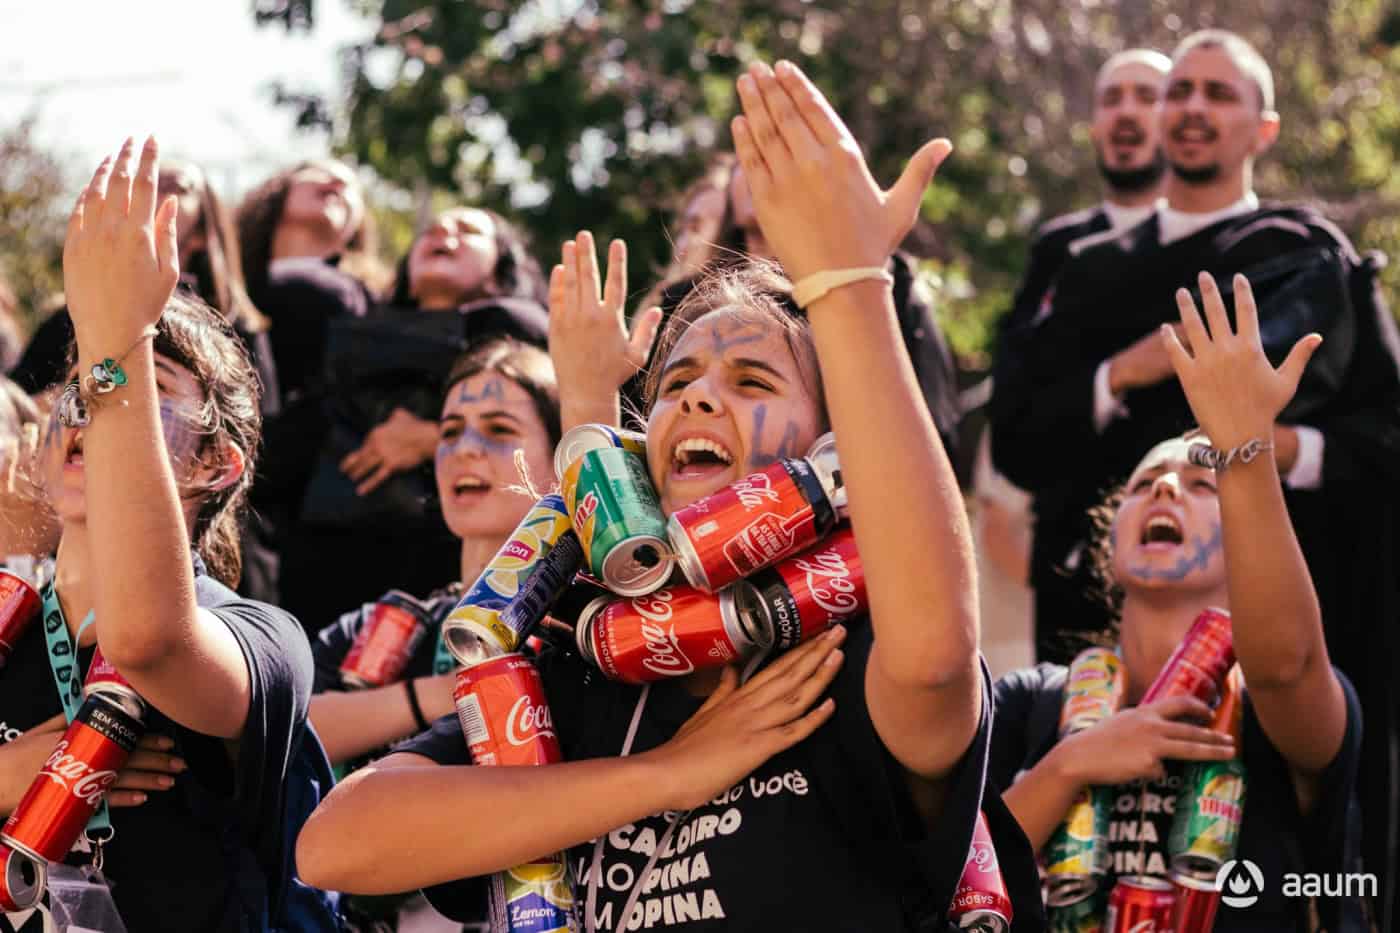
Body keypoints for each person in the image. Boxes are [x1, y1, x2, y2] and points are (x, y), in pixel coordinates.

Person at [296, 61, 1043, 931]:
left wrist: (849, 284)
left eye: (752, 379)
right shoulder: (581, 667)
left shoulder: (851, 654)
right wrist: (672, 774)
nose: (695, 396)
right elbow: (337, 843)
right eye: (676, 378)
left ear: (832, 447)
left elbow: (938, 658)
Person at [988, 28, 1400, 920]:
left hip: (1268, 659)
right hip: (1096, 654)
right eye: (1180, 90)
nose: (1191, 109)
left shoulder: (1301, 252)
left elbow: (1381, 435)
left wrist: (1266, 451)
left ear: (1264, 127)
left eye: (1219, 94)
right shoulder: (1084, 267)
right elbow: (1017, 431)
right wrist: (1127, 371)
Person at [0, 138, 313, 932]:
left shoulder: (259, 636)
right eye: (78, 386)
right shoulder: (5, 622)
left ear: (216, 462)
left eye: (137, 383)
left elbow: (146, 640)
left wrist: (118, 341)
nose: (85, 408)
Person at [991, 272, 1366, 930]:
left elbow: (1285, 664)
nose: (1166, 488)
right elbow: (955, 883)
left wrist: (1242, 446)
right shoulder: (1030, 703)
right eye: (1145, 483)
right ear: (1111, 541)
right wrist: (1071, 762)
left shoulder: (1276, 702)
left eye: (1201, 483)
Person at [307, 337, 559, 930]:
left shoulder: (592, 630)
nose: (465, 449)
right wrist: (443, 698)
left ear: (561, 457)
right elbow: (280, 724)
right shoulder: (387, 624)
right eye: (449, 432)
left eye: (499, 429)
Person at [271, 206, 549, 631]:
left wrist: (437, 438)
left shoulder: (519, 329)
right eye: (433, 230)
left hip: (450, 577)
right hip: (326, 572)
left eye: (468, 231)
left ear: (498, 270)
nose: (443, 232)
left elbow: (561, 424)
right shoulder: (349, 329)